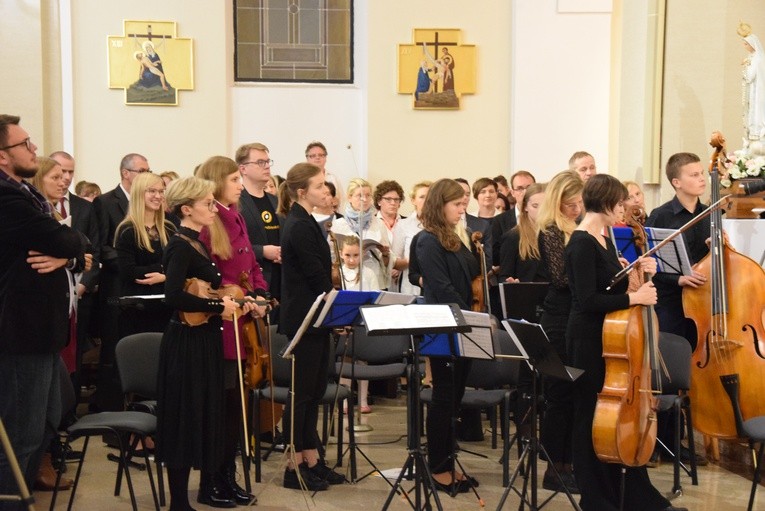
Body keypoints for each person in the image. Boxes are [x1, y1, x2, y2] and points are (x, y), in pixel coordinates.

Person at [565, 174, 685, 511]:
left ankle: (631, 493)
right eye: (618, 202)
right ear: (604, 201)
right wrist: (635, 298)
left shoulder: (602, 238)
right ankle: (598, 497)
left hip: (606, 335)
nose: (622, 207)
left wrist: (635, 268)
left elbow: (606, 287)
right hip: (589, 339)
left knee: (611, 416)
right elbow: (587, 299)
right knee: (593, 416)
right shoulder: (580, 242)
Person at [0, 114, 88, 508]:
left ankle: (21, 494)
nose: (34, 149)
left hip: (42, 333)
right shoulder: (7, 197)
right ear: (3, 156)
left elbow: (76, 246)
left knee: (54, 410)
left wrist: (67, 257)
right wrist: (69, 249)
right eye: (25, 144)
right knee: (22, 430)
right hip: (21, 332)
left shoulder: (26, 195)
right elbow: (68, 237)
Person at [156, 176, 256, 510]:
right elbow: (172, 296)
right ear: (187, 209)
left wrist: (230, 299)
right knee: (185, 419)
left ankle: (204, 488)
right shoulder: (180, 245)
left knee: (202, 416)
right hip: (187, 342)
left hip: (203, 339)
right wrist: (218, 306)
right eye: (207, 204)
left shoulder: (196, 242)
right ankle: (179, 503)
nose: (214, 208)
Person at [196, 156, 271, 505]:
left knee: (236, 411)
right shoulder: (211, 224)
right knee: (223, 409)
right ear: (215, 183)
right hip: (223, 327)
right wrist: (240, 296)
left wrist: (259, 294)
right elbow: (212, 279)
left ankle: (227, 477)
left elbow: (251, 266)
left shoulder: (236, 216)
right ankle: (212, 481)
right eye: (232, 178)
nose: (240, 183)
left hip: (245, 323)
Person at [279, 162, 344, 491]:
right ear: (302, 192)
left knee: (314, 392)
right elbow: (317, 277)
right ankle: (294, 466)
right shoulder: (300, 225)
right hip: (305, 318)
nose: (326, 192)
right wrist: (339, 309)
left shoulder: (309, 222)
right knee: (301, 395)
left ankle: (312, 459)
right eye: (320, 186)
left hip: (317, 318)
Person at [416, 178, 480, 494]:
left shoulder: (455, 237)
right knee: (443, 397)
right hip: (442, 325)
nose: (461, 209)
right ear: (440, 205)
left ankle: (449, 462)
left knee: (454, 398)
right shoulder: (427, 241)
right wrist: (469, 315)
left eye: (463, 204)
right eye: (456, 205)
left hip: (463, 323)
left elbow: (471, 274)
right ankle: (438, 467)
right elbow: (440, 287)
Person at [92, 152, 152, 411]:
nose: (147, 174)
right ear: (126, 173)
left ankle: (140, 407)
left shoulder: (149, 203)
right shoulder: (105, 202)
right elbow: (101, 246)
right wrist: (131, 264)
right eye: (142, 170)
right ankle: (110, 407)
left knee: (141, 347)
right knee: (114, 348)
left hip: (145, 286)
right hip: (117, 283)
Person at [536, 170, 584, 493]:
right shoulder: (552, 231)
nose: (579, 208)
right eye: (573, 203)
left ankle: (570, 463)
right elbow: (560, 279)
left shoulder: (578, 229)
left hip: (573, 319)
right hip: (557, 320)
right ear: (560, 202)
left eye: (581, 202)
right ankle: (555, 469)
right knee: (559, 396)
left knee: (572, 396)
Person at [645, 153, 709, 344]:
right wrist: (678, 279)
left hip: (703, 299)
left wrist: (723, 247)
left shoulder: (710, 213)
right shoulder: (660, 217)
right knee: (674, 354)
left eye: (702, 173)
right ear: (677, 182)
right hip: (671, 303)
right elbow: (648, 264)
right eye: (694, 175)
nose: (702, 179)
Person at [114, 172, 175, 337]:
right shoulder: (127, 230)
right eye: (152, 191)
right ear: (139, 193)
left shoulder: (170, 228)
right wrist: (165, 269)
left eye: (161, 191)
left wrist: (164, 276)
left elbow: (180, 266)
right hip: (137, 309)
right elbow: (129, 272)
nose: (158, 196)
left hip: (167, 305)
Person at [237, 143, 282, 306]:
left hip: (280, 280)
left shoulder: (275, 201)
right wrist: (262, 251)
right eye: (260, 162)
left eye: (268, 162)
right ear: (243, 169)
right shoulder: (237, 202)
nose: (267, 166)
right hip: (253, 281)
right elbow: (232, 245)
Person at [330, 178, 391, 292]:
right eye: (360, 195)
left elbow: (387, 257)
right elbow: (332, 256)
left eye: (368, 195)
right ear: (350, 197)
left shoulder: (378, 223)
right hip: (348, 279)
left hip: (375, 277)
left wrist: (385, 253)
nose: (365, 199)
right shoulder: (338, 224)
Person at [499, 182, 547, 284]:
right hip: (527, 296)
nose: (541, 211)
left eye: (545, 206)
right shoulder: (513, 237)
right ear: (525, 207)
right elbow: (504, 276)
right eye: (535, 206)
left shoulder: (555, 234)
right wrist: (512, 284)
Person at [392, 180, 430, 296]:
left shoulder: (441, 224)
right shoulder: (403, 225)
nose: (427, 200)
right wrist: (412, 260)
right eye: (422, 197)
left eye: (429, 197)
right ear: (413, 200)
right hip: (411, 288)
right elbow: (395, 261)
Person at [373, 179, 406, 290]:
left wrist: (398, 268)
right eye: (388, 199)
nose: (393, 203)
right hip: (378, 278)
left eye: (396, 199)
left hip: (402, 278)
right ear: (379, 201)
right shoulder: (371, 223)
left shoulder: (406, 223)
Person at [305, 141, 344, 209]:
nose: (317, 158)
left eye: (321, 155)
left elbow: (342, 201)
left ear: (325, 158)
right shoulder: (303, 179)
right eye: (313, 156)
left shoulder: (333, 178)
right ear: (307, 159)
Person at [742, 31, 765, 143]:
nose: (744, 46)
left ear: (752, 44)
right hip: (754, 90)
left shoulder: (757, 58)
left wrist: (746, 66)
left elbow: (750, 76)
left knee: (756, 112)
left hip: (757, 91)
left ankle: (757, 133)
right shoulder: (754, 57)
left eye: (746, 44)